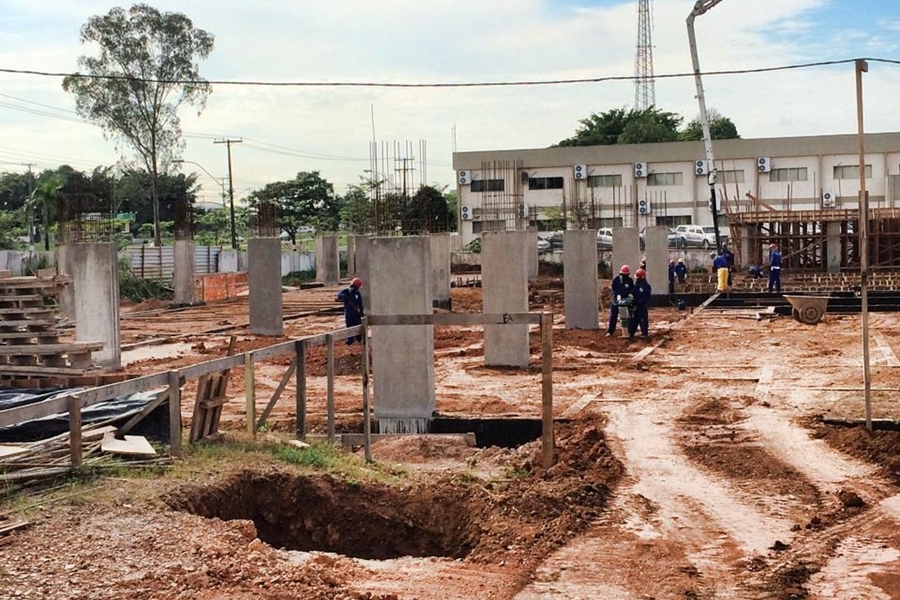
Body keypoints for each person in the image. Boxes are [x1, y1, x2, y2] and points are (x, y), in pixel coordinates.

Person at [606, 264, 634, 337]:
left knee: (628, 316)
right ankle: (610, 331)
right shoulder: (616, 280)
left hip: (626, 300)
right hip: (616, 300)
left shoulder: (630, 280)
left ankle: (629, 331)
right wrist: (617, 295)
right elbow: (614, 288)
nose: (624, 276)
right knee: (613, 316)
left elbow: (631, 289)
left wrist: (630, 294)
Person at [337, 277, 365, 344]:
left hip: (356, 313)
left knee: (358, 325)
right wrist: (344, 296)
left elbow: (360, 303)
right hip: (349, 313)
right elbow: (339, 294)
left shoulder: (357, 293)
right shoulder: (346, 291)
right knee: (349, 325)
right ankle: (350, 340)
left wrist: (361, 311)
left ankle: (359, 339)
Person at [628, 268, 652, 338]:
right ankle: (631, 332)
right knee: (634, 319)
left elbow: (647, 297)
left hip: (642, 306)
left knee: (643, 319)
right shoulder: (635, 286)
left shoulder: (646, 286)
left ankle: (644, 333)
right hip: (636, 306)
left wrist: (640, 302)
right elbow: (632, 294)